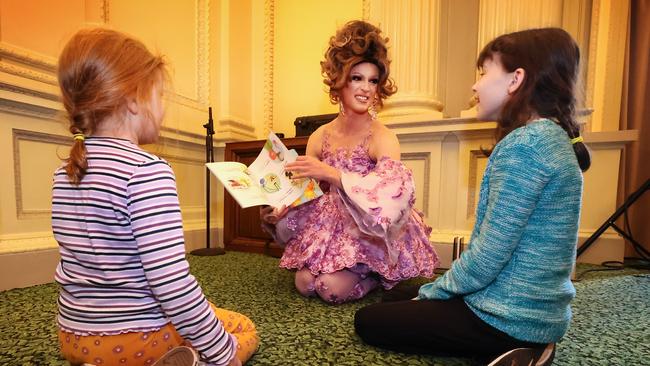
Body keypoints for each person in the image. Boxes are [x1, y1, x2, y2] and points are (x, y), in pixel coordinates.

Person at [354, 27, 590, 365]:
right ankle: (530, 342)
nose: (475, 85)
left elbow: (488, 258)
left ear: (515, 79)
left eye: (483, 73)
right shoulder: (552, 139)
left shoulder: (525, 147)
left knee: (368, 321)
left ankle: (517, 349)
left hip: (507, 318)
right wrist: (429, 293)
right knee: (397, 293)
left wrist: (434, 294)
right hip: (538, 312)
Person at [52, 28, 258, 366]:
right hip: (134, 338)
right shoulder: (147, 170)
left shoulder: (65, 172)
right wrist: (223, 353)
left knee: (207, 318)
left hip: (73, 338)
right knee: (242, 330)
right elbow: (171, 283)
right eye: (160, 96)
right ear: (134, 98)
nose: (163, 109)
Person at [260, 20, 439, 304]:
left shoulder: (382, 137)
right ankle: (348, 270)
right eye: (357, 78)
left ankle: (374, 275)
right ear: (339, 80)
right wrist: (279, 209)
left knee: (330, 289)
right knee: (306, 283)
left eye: (373, 80)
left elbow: (390, 196)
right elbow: (305, 191)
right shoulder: (319, 136)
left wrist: (331, 173)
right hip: (330, 220)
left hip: (367, 225)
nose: (366, 88)